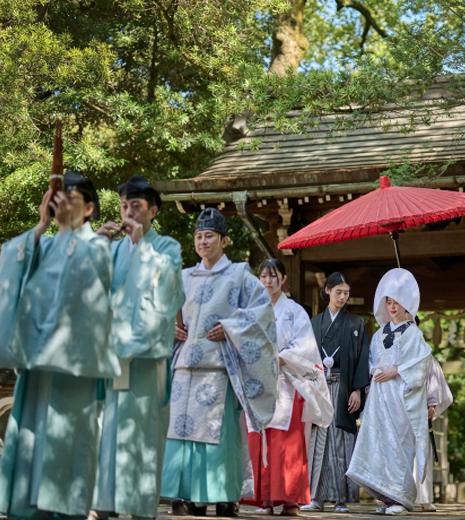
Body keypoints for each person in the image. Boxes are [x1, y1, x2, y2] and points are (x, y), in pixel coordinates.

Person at [0, 173, 120, 517]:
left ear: (89, 207)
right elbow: (11, 264)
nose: (62, 200)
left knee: (67, 440)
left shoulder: (99, 246)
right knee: (33, 439)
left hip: (74, 366)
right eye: (57, 195)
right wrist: (40, 225)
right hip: (37, 361)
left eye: (72, 195)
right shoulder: (42, 244)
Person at [161, 208, 278, 517]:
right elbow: (165, 310)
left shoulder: (240, 276)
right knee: (182, 434)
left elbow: (263, 312)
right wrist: (168, 327)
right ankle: (188, 495)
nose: (203, 241)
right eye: (198, 236)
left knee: (220, 437)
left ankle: (226, 496)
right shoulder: (184, 276)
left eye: (209, 236)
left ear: (224, 240)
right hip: (185, 367)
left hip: (219, 368)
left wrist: (230, 327)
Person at [91, 176, 185, 520]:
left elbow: (173, 291)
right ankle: (108, 501)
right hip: (117, 354)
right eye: (124, 205)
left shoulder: (168, 248)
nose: (128, 212)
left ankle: (141, 504)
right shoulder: (115, 248)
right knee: (112, 426)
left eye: (136, 206)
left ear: (153, 211)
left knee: (145, 430)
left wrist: (142, 243)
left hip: (148, 355)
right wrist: (95, 246)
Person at [244, 258, 333, 516]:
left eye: (273, 276)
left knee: (286, 442)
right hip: (260, 383)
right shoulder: (253, 310)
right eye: (263, 276)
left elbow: (305, 346)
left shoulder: (294, 311)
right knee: (262, 438)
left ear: (283, 279)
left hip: (286, 381)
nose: (268, 281)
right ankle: (267, 499)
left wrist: (282, 357)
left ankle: (291, 500)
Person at [346, 268, 432, 516]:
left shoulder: (413, 333)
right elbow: (371, 360)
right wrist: (374, 370)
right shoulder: (378, 334)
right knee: (381, 441)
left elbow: (422, 362)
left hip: (400, 396)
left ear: (406, 304)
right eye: (389, 302)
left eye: (397, 302)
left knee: (399, 443)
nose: (393, 307)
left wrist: (396, 371)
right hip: (379, 396)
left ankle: (402, 497)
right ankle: (386, 495)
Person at [302, 272, 369, 513]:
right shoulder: (314, 323)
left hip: (343, 386)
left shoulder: (356, 324)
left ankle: (342, 498)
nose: (343, 297)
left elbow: (362, 359)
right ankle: (315, 497)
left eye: (346, 293)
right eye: (338, 292)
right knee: (318, 440)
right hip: (319, 386)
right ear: (328, 291)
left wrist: (358, 390)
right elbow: (306, 356)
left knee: (341, 441)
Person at [414, 356, 453, 512]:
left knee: (422, 453)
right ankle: (396, 497)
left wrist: (432, 402)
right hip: (398, 409)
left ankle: (424, 498)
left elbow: (434, 379)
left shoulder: (426, 357)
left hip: (420, 408)